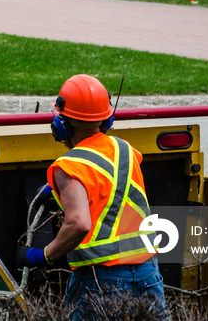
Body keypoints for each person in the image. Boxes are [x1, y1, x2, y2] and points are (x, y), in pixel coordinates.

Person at [16, 74, 168, 320]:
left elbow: (79, 223)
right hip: (147, 274)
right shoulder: (126, 150)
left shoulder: (67, 166)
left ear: (62, 126)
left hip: (101, 282)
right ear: (107, 119)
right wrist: (58, 192)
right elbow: (109, 192)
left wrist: (41, 256)